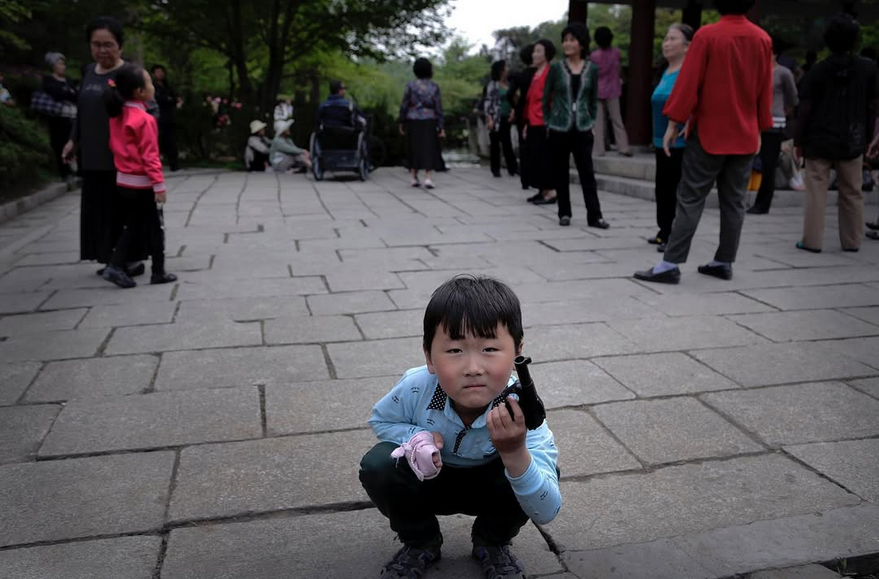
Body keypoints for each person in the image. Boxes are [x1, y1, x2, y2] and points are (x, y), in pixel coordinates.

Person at [359, 275, 561, 579]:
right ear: (429, 356)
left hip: (493, 486)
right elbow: (381, 420)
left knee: (533, 469)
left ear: (518, 350)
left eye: (490, 349)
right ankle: (420, 541)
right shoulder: (416, 388)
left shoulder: (521, 410)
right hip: (430, 480)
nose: (473, 368)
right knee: (378, 464)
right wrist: (418, 437)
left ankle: (492, 541)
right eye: (455, 351)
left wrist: (515, 451)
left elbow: (547, 511)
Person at [634, 0, 773, 285]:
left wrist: (674, 121)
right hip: (745, 133)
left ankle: (670, 263)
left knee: (690, 198)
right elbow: (764, 87)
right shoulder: (762, 38)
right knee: (734, 202)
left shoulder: (707, 35)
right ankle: (724, 261)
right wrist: (760, 127)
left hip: (709, 132)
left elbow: (689, 81)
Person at [62, 16, 146, 277]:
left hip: (122, 155)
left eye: (108, 44)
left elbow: (143, 112)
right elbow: (82, 111)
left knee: (122, 208)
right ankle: (109, 256)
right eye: (96, 44)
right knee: (99, 208)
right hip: (93, 153)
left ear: (120, 46)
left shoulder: (128, 75)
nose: (102, 50)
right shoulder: (88, 72)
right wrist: (73, 141)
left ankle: (129, 258)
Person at [795, 13, 879, 253]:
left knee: (816, 192)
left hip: (818, 139)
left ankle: (811, 241)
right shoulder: (868, 69)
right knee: (852, 192)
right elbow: (874, 105)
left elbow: (805, 109)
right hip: (853, 138)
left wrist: (799, 141)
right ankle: (852, 241)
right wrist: (870, 136)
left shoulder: (818, 70)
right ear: (855, 40)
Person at [102, 64, 176, 288]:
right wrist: (159, 185)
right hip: (141, 183)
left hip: (124, 180)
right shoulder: (144, 119)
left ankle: (158, 270)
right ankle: (118, 266)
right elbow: (150, 156)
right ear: (139, 92)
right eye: (149, 82)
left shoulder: (118, 115)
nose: (153, 85)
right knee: (143, 226)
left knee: (140, 224)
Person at [543, 23, 608, 229]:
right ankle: (564, 213)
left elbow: (592, 100)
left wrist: (591, 121)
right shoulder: (555, 68)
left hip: (582, 128)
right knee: (560, 172)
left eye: (572, 39)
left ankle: (595, 216)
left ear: (581, 43)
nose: (567, 43)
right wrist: (549, 121)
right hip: (559, 129)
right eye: (565, 40)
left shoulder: (592, 69)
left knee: (587, 173)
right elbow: (545, 99)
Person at [649, 24, 694, 250]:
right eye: (665, 39)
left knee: (674, 188)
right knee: (662, 187)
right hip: (659, 139)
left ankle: (673, 235)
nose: (666, 43)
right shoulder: (663, 72)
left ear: (687, 47)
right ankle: (663, 229)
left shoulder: (688, 74)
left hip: (679, 142)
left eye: (672, 39)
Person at [747, 38, 799, 214]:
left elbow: (793, 96)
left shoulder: (783, 73)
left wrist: (786, 110)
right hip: (753, 121)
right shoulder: (755, 71)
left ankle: (763, 203)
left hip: (774, 121)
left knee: (769, 164)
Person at [399, 57, 446, 189]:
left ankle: (414, 176)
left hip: (412, 119)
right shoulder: (434, 87)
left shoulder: (410, 86)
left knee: (413, 146)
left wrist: (401, 121)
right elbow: (438, 107)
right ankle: (428, 177)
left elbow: (404, 105)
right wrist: (441, 126)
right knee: (428, 147)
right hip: (429, 119)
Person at [523, 39, 557, 205]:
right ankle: (542, 190)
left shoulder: (550, 73)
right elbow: (530, 100)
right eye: (534, 51)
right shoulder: (535, 75)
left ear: (547, 54)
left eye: (538, 51)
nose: (534, 54)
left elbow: (554, 99)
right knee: (535, 157)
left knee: (545, 157)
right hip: (533, 121)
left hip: (545, 122)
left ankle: (551, 191)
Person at [590, 26, 632, 157]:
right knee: (617, 119)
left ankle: (599, 149)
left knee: (598, 122)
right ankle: (623, 147)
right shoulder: (616, 53)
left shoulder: (594, 56)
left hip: (597, 90)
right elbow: (619, 69)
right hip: (613, 89)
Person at [42, 52, 78, 182]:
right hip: (57, 118)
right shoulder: (48, 80)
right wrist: (67, 93)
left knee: (75, 142)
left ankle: (77, 170)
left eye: (63, 63)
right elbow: (56, 94)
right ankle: (65, 173)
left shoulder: (68, 80)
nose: (63, 66)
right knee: (59, 145)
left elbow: (75, 95)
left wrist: (67, 92)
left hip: (72, 116)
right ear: (53, 66)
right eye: (60, 63)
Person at [507, 45, 537, 191]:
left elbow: (509, 94)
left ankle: (525, 180)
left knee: (524, 146)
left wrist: (516, 107)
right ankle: (538, 178)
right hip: (538, 112)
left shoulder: (520, 76)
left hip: (522, 113)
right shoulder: (540, 74)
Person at [484, 60, 518, 178]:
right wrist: (490, 119)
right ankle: (495, 169)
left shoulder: (508, 84)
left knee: (507, 143)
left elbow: (514, 99)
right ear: (500, 71)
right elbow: (488, 102)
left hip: (507, 117)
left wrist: (513, 110)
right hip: (496, 117)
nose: (507, 70)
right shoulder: (492, 85)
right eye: (505, 68)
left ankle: (512, 168)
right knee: (495, 144)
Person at [150, 65, 179, 172]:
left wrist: (169, 99)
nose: (160, 74)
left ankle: (174, 164)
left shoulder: (168, 86)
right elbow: (159, 99)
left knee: (172, 141)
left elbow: (174, 98)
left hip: (170, 117)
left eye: (161, 71)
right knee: (158, 141)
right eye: (157, 72)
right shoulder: (152, 87)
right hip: (158, 117)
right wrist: (167, 99)